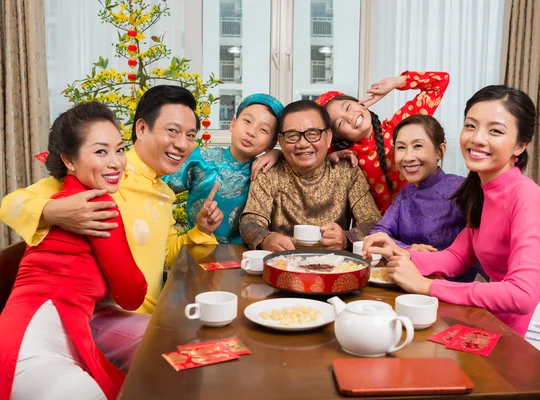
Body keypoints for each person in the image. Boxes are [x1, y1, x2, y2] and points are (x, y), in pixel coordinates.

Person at [0, 85, 222, 371]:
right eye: (172, 131)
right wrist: (54, 211)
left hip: (147, 316)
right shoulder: (100, 171)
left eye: (190, 136)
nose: (182, 144)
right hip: (96, 319)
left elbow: (167, 254)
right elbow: (11, 204)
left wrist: (201, 230)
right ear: (141, 128)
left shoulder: (163, 193)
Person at [363, 85, 540, 377]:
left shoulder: (526, 196)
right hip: (497, 320)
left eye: (495, 131)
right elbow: (456, 256)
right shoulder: (480, 190)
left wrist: (427, 286)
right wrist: (398, 252)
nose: (477, 138)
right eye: (471, 126)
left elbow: (523, 295)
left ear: (520, 145)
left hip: (534, 332)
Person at [0, 102, 148, 400]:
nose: (116, 162)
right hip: (33, 353)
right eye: (100, 151)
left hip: (19, 336)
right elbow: (132, 294)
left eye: (120, 150)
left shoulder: (60, 198)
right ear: (69, 160)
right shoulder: (97, 205)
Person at [369, 114, 540, 282]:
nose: (408, 157)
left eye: (418, 146)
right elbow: (380, 232)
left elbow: (509, 216)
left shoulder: (462, 188)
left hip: (454, 289)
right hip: (412, 282)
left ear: (440, 151)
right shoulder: (406, 193)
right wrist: (408, 248)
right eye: (401, 148)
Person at [239, 100, 381, 252]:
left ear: (328, 137)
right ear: (280, 140)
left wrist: (347, 238)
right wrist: (265, 239)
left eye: (312, 134)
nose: (302, 144)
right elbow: (250, 221)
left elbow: (373, 221)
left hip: (335, 266)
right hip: (283, 263)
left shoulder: (347, 170)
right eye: (292, 136)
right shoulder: (269, 172)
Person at [315, 71, 450, 213]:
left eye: (348, 107)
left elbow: (440, 81)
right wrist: (330, 158)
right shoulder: (349, 157)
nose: (350, 117)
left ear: (359, 103)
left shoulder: (400, 125)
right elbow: (309, 159)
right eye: (340, 123)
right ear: (336, 136)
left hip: (423, 216)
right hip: (376, 229)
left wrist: (396, 82)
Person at [164, 93, 283, 244]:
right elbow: (158, 187)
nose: (251, 132)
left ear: (271, 143)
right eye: (247, 121)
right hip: (196, 251)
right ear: (232, 124)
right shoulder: (199, 160)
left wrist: (279, 154)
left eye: (264, 130)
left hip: (245, 259)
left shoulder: (267, 172)